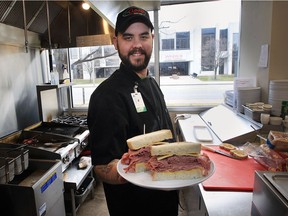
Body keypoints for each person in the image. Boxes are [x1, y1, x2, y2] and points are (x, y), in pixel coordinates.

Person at [87, 6, 179, 216]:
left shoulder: (152, 84)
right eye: (128, 37)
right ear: (115, 41)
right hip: (135, 207)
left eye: (143, 36)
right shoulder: (106, 97)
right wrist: (138, 168)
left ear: (152, 39)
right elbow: (102, 167)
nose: (137, 45)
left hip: (165, 201)